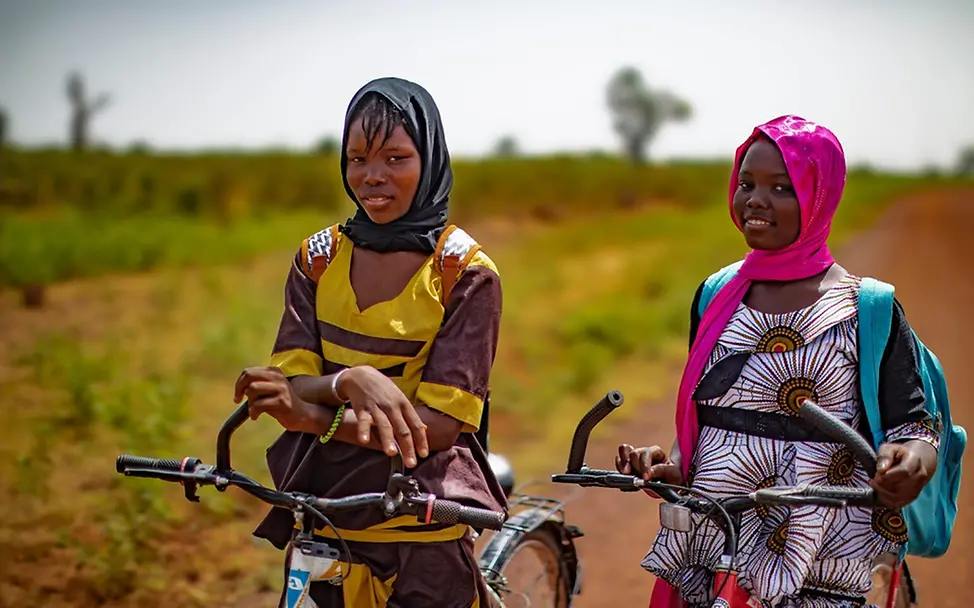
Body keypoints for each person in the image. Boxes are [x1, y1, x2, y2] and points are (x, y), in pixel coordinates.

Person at [615, 115, 938, 607]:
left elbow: (914, 425)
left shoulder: (866, 309)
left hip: (820, 549)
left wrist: (912, 461)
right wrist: (674, 467)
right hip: (714, 541)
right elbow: (706, 418)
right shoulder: (716, 295)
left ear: (819, 196)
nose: (755, 200)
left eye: (782, 187)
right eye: (746, 183)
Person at [233, 77, 507, 607]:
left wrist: (314, 416)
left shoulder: (465, 273)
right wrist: (350, 380)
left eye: (396, 158)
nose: (372, 177)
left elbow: (436, 427)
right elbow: (294, 380)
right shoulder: (318, 258)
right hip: (321, 511)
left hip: (416, 520)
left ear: (430, 159)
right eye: (357, 158)